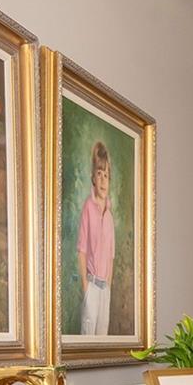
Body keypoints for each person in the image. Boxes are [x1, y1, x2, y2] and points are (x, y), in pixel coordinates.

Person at [77, 140, 116, 336]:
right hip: (92, 285)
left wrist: (107, 284)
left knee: (103, 334)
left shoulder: (109, 216)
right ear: (93, 178)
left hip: (104, 288)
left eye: (106, 176)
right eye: (99, 175)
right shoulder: (88, 209)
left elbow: (110, 255)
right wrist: (86, 285)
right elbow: (82, 250)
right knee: (88, 334)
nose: (102, 180)